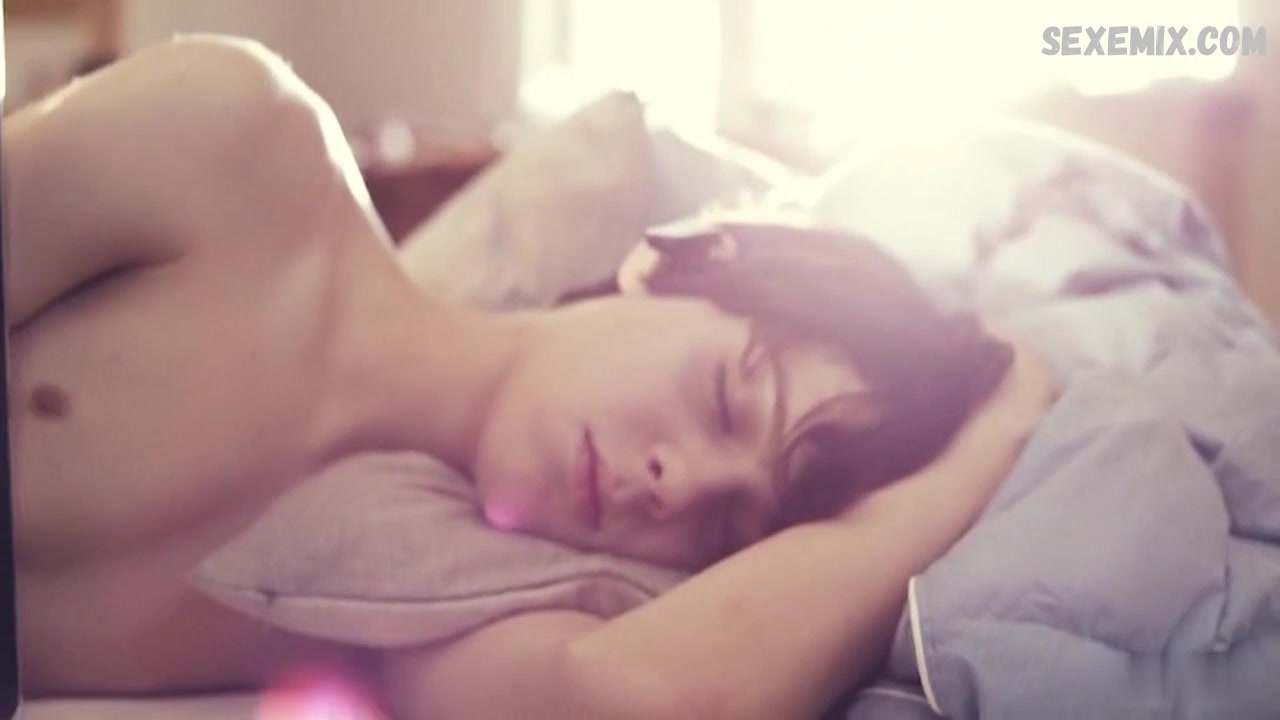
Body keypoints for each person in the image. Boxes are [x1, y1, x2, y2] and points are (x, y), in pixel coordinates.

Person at [5, 35, 1057, 717]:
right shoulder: (239, 144)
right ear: (681, 260)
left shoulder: (451, 589)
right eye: (725, 399)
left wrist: (982, 453)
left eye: (728, 526)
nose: (679, 484)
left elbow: (635, 700)